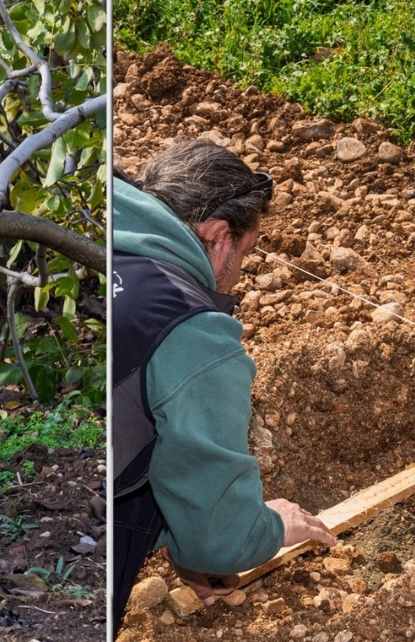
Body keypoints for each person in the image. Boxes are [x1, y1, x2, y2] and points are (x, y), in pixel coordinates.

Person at [111, 140, 335, 634]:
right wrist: (267, 528)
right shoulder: (193, 332)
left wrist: (177, 536)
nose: (235, 279)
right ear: (217, 235)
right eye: (245, 253)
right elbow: (220, 542)